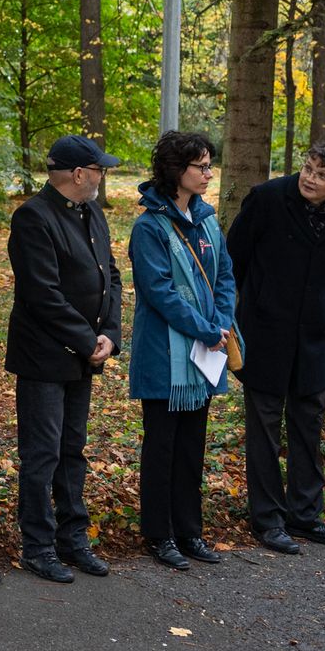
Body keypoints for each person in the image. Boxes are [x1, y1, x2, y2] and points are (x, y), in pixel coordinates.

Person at [224, 143, 325, 556]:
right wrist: (259, 300)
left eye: (322, 175)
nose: (310, 178)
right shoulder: (267, 198)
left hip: (315, 332)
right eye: (308, 168)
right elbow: (235, 259)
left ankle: (305, 513)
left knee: (308, 423)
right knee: (265, 427)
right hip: (266, 329)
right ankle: (267, 519)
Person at [4, 134, 123, 582]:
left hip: (84, 354)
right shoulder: (33, 217)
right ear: (77, 174)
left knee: (73, 450)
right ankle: (38, 546)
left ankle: (73, 538)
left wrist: (110, 334)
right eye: (99, 170)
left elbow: (110, 274)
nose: (102, 177)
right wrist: (86, 339)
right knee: (43, 454)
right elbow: (42, 293)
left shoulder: (91, 211)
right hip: (44, 357)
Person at [126, 130, 237, 570]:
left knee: (192, 447)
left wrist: (220, 323)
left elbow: (225, 275)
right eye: (202, 166)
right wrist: (205, 329)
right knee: (163, 448)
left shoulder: (208, 220)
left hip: (205, 352)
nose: (209, 174)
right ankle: (159, 534)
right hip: (164, 355)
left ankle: (190, 531)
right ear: (177, 170)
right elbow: (159, 292)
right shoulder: (149, 226)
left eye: (210, 165)